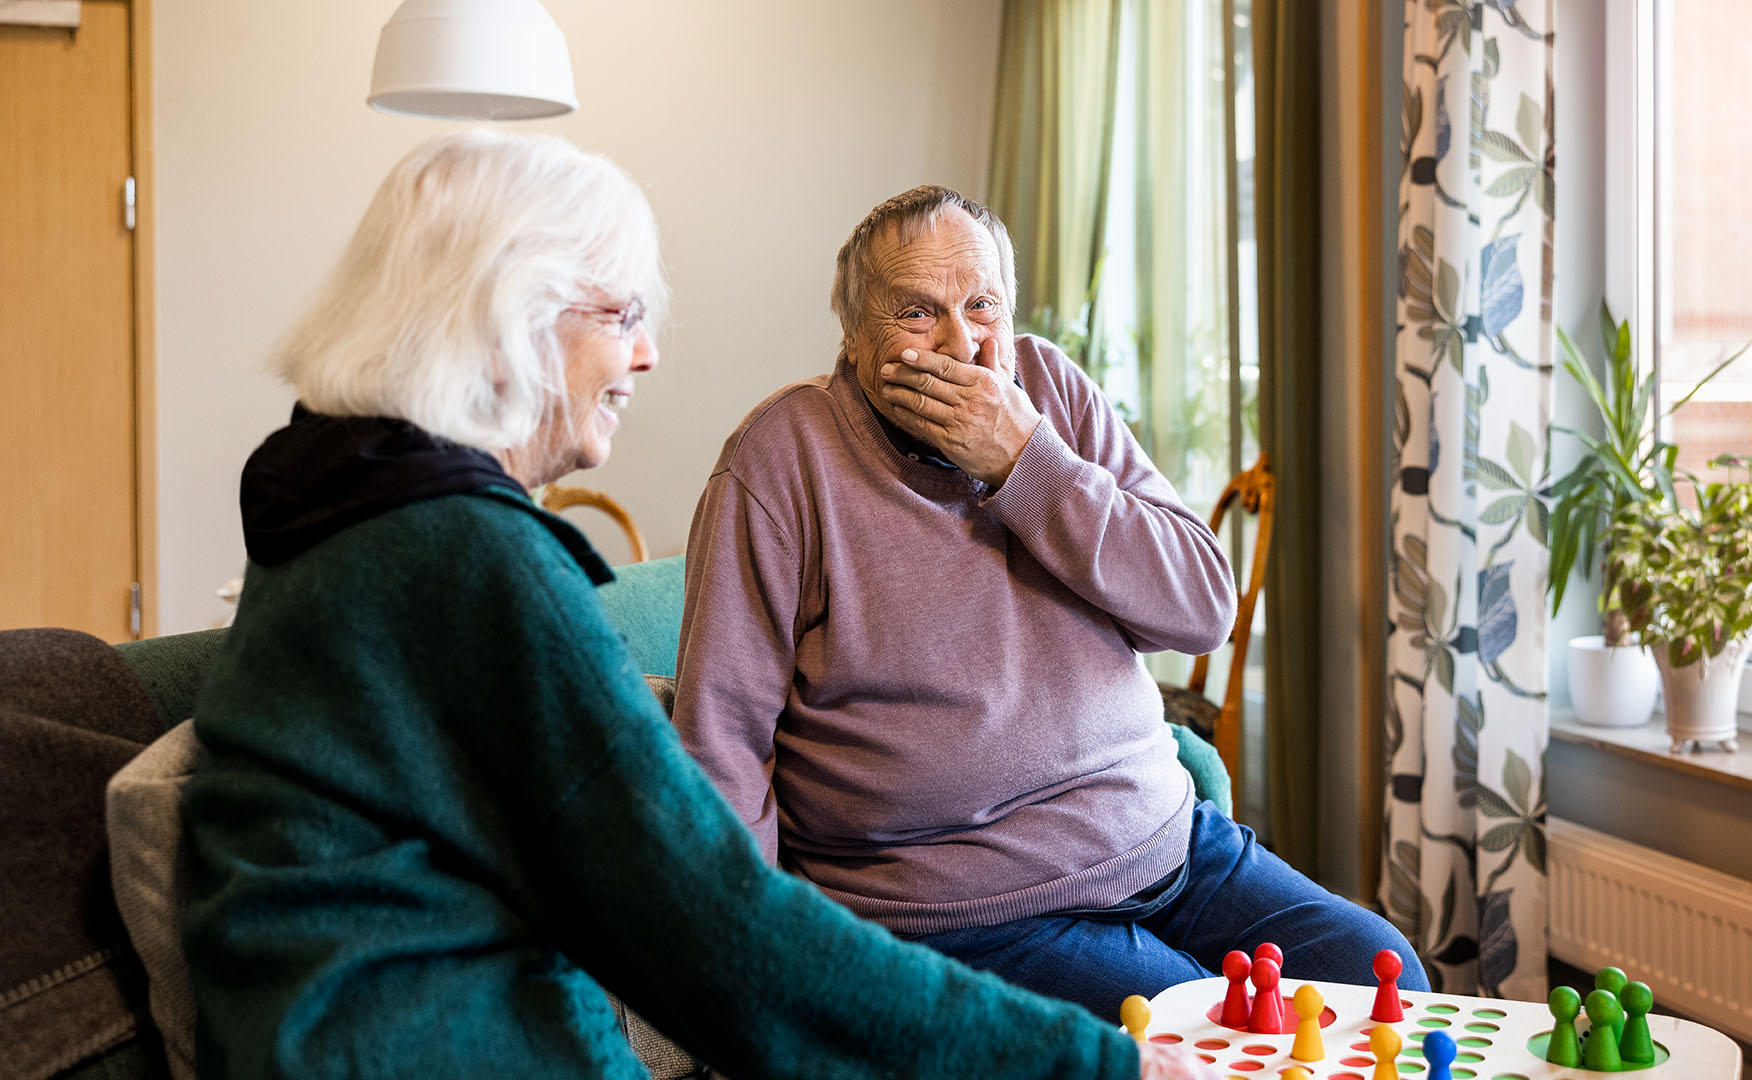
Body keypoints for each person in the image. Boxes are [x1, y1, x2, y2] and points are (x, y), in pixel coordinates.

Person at [182, 131, 1207, 1080]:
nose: (647, 355)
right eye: (622, 315)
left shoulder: (328, 494)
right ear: (515, 315)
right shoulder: (459, 557)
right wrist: (1096, 1065)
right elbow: (721, 929)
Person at [673, 185, 1428, 1024]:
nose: (963, 343)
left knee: (1386, 985)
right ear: (853, 337)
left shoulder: (1053, 394)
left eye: (981, 305)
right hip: (968, 907)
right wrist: (755, 958)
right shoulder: (781, 458)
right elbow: (723, 734)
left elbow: (1203, 605)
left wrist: (1025, 461)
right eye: (918, 314)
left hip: (1165, 841)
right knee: (1197, 1040)